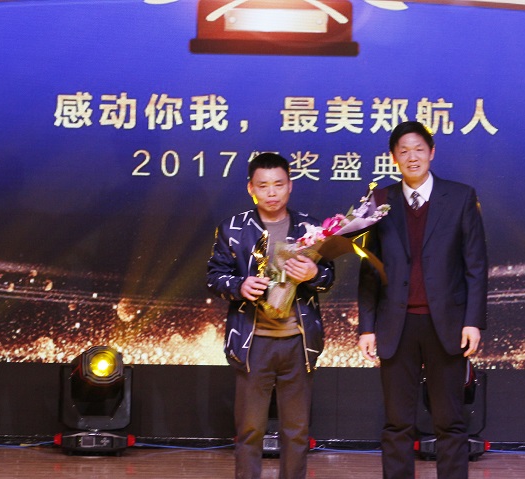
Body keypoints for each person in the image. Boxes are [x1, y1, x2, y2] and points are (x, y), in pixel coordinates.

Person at [357, 121, 488, 479]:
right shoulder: (379, 201)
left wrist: (472, 321)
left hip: (446, 324)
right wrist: (367, 327)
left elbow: (476, 266)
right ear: (393, 157)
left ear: (432, 152)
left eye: (419, 149)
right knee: (397, 422)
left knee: (450, 421)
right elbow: (369, 269)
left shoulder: (460, 197)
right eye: (404, 151)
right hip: (395, 324)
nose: (412, 157)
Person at [207, 152, 335, 479]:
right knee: (250, 430)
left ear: (290, 186)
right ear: (251, 188)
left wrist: (313, 274)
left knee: (297, 431)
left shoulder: (310, 228)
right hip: (253, 344)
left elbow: (328, 277)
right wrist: (239, 285)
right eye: (263, 186)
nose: (272, 192)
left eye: (278, 184)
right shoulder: (233, 228)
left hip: (298, 342)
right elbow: (215, 277)